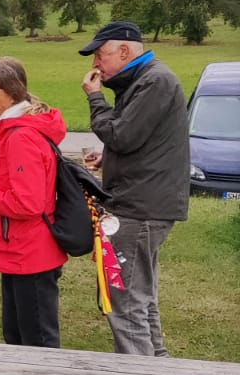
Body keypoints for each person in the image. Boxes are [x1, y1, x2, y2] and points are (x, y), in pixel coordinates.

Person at [78, 20, 190, 356]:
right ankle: (158, 373)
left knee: (126, 303)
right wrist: (109, 156)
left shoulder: (154, 81)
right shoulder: (144, 81)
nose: (96, 64)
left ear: (125, 51)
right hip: (145, 203)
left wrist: (96, 99)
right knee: (141, 298)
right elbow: (136, 140)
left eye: (100, 55)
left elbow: (122, 136)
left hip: (139, 208)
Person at [0, 57, 68, 348]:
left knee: (36, 343)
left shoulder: (21, 137)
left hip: (30, 254)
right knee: (17, 337)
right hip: (20, 252)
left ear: (12, 92)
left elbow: (27, 204)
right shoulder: (11, 131)